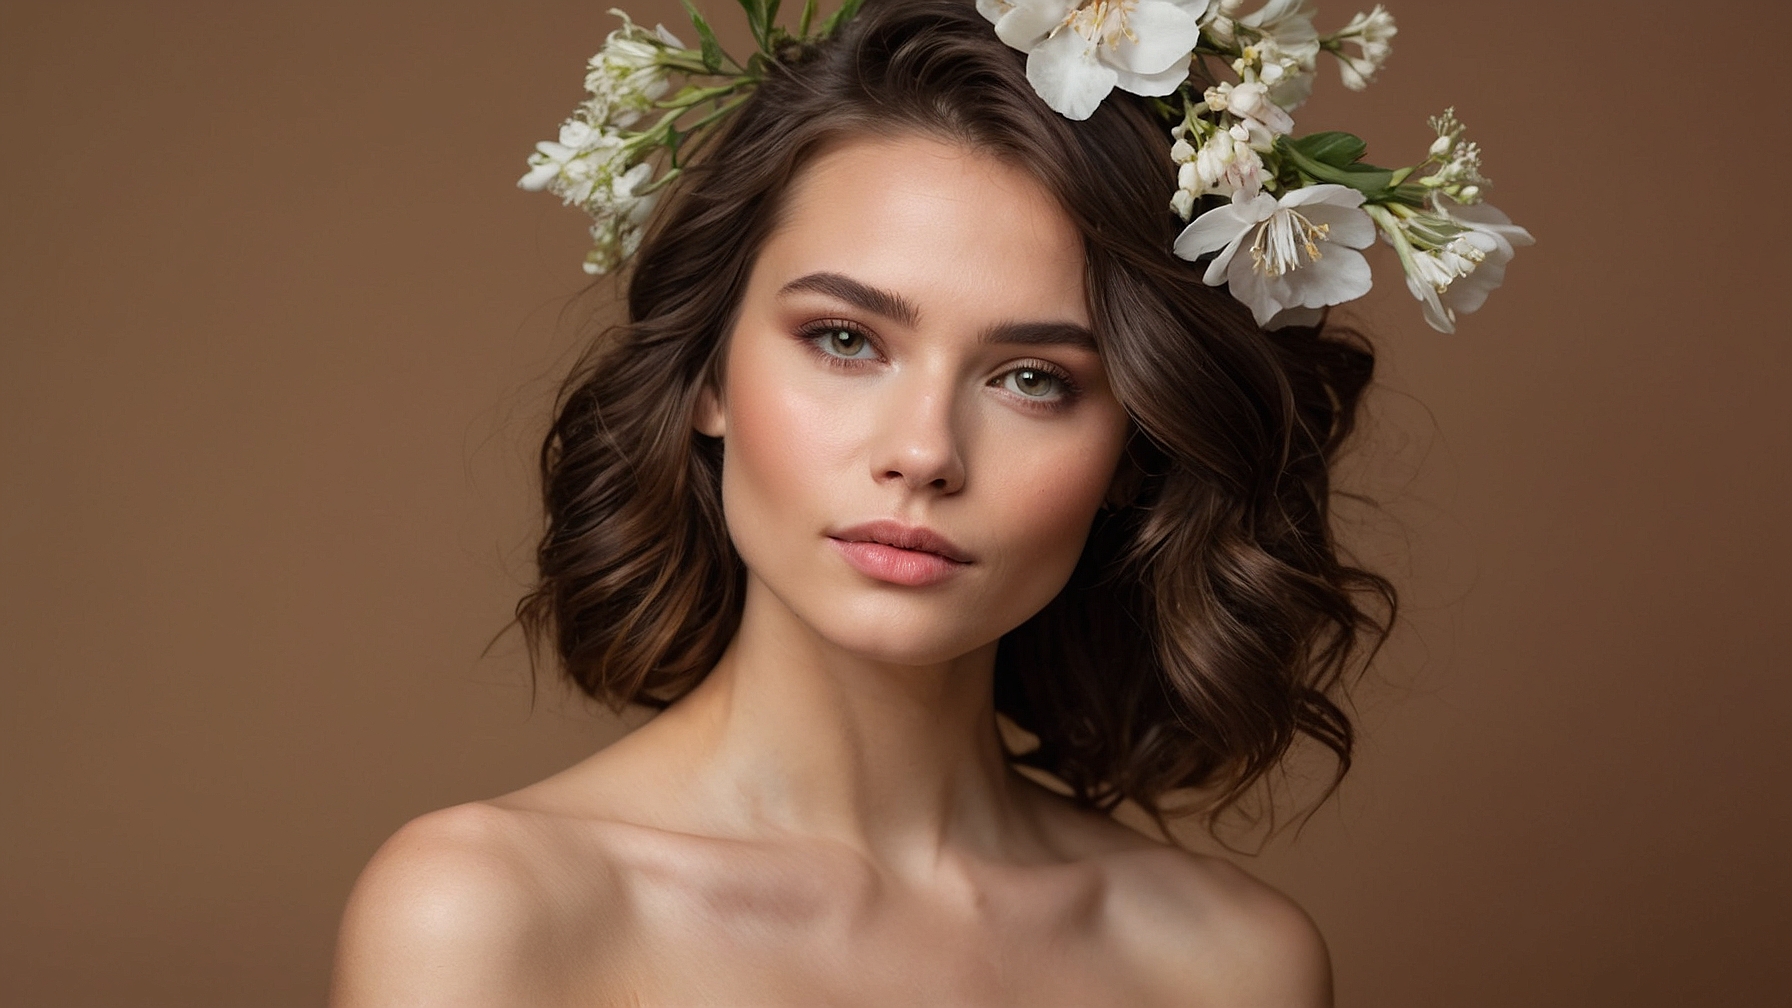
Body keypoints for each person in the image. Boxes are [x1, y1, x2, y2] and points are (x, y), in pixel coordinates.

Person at [331, 0, 1396, 1002]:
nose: (923, 453)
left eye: (1034, 379)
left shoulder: (1228, 967)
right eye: (844, 340)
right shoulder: (488, 914)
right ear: (708, 375)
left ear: (1134, 448)